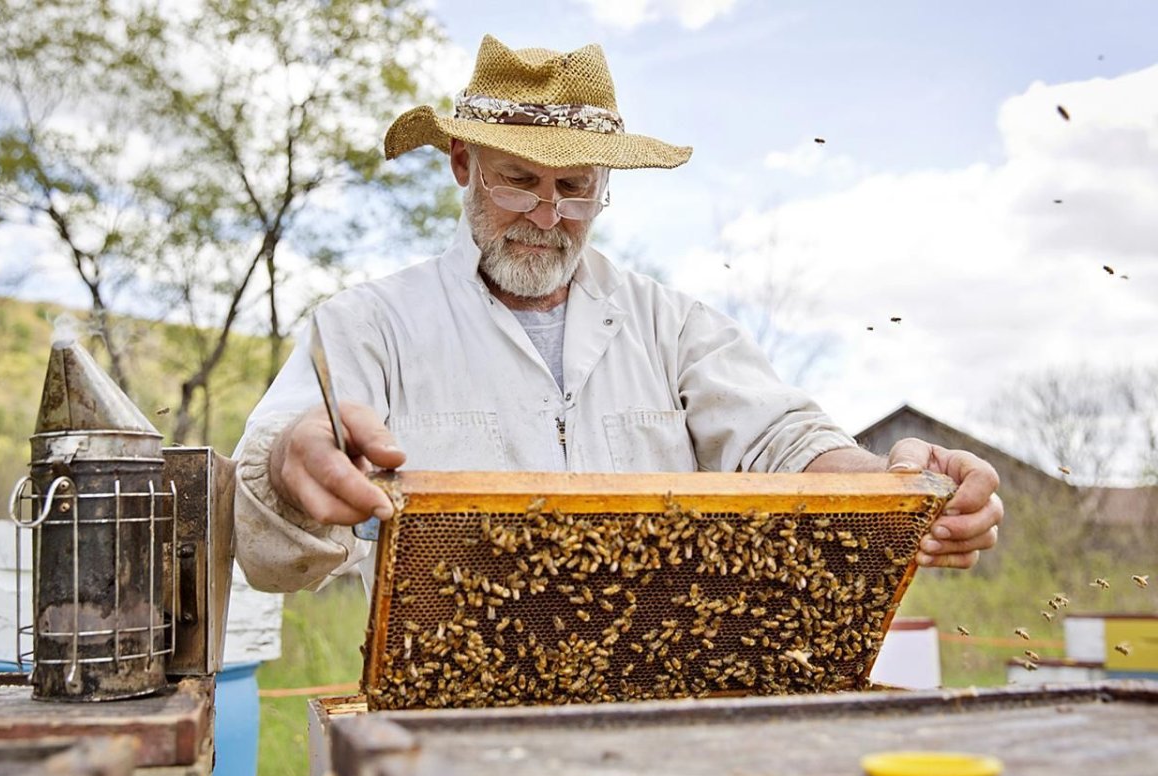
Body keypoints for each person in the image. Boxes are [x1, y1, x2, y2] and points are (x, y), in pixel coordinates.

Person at [233, 35, 1002, 595]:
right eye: (517, 180)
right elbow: (266, 515)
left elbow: (780, 439)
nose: (546, 213)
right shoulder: (366, 325)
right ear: (463, 167)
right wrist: (291, 464)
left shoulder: (672, 326)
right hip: (450, 740)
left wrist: (894, 488)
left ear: (605, 186)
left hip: (654, 723)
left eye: (575, 188)